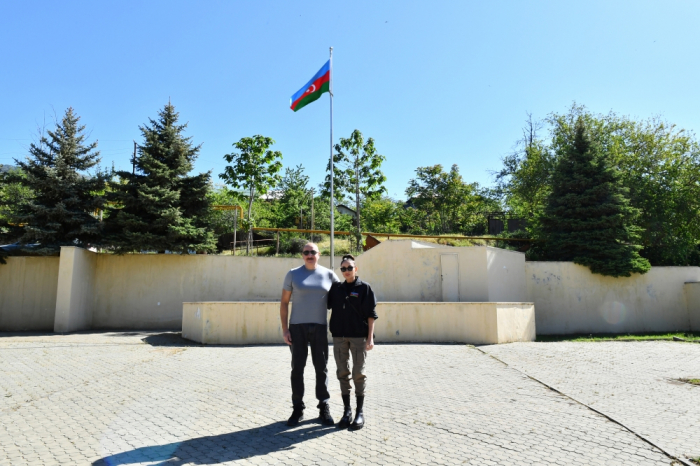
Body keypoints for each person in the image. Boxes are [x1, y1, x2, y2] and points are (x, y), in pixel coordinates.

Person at [280, 242, 341, 427]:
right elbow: (284, 303)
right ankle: (297, 408)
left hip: (320, 327)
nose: (309, 255)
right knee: (297, 369)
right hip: (297, 328)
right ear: (302, 255)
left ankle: (324, 406)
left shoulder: (329, 274)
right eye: (306, 252)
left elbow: (342, 296)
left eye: (312, 252)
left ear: (319, 254)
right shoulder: (292, 274)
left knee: (321, 368)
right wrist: (285, 329)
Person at [327, 253, 378, 430]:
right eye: (343, 269)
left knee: (358, 373)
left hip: (358, 337)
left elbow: (371, 315)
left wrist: (370, 338)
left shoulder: (364, 288)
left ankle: (359, 412)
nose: (346, 271)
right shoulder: (336, 288)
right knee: (342, 373)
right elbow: (323, 303)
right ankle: (347, 411)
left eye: (349, 268)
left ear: (356, 269)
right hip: (339, 336)